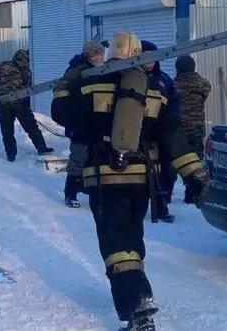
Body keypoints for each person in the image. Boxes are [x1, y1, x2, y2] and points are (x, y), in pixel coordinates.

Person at [77, 31, 208, 331]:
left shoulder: (89, 83)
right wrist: (193, 175)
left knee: (116, 246)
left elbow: (63, 114)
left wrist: (73, 78)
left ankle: (139, 307)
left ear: (110, 54)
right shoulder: (154, 90)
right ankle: (137, 299)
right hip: (140, 182)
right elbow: (173, 136)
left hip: (105, 179)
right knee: (132, 240)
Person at [53, 41, 105, 209]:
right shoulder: (76, 72)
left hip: (95, 120)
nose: (99, 57)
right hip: (79, 122)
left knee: (95, 157)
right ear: (88, 55)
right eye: (96, 54)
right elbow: (64, 94)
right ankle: (70, 193)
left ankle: (90, 188)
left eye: (100, 54)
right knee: (78, 158)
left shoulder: (100, 69)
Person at [0, 49, 54, 162]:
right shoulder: (27, 71)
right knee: (31, 127)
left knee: (7, 130)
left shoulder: (4, 65)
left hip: (4, 102)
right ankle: (42, 148)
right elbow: (28, 91)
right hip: (20, 103)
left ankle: (11, 155)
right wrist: (27, 108)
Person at [140, 40, 181, 222]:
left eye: (153, 58)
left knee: (166, 170)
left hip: (161, 133)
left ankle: (162, 204)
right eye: (145, 58)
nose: (149, 62)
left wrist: (171, 122)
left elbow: (174, 103)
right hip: (139, 133)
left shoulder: (163, 80)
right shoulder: (131, 78)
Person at [174, 55, 212, 204]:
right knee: (196, 163)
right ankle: (193, 193)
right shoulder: (203, 84)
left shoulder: (174, 85)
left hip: (178, 129)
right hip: (196, 128)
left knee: (178, 162)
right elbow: (206, 90)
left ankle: (166, 193)